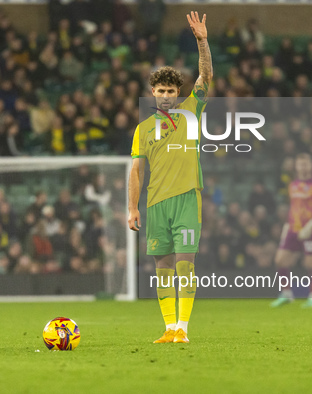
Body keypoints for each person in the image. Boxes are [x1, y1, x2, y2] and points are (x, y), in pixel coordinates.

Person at [128, 12, 212, 344]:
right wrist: (133, 208)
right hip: (156, 203)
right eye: (160, 89)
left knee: (184, 264)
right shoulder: (143, 129)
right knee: (161, 267)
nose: (165, 95)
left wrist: (202, 41)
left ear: (178, 92)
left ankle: (184, 330)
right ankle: (169, 328)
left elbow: (205, 74)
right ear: (152, 92)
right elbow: (137, 170)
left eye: (170, 89)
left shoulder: (192, 111)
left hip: (187, 198)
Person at [271, 153, 312, 308]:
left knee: (310, 262)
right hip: (293, 228)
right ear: (296, 166)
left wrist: (311, 225)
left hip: (309, 229)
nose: (303, 167)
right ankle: (287, 294)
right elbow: (293, 207)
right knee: (280, 260)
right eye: (300, 164)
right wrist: (287, 225)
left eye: (306, 164)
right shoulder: (293, 184)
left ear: (311, 166)